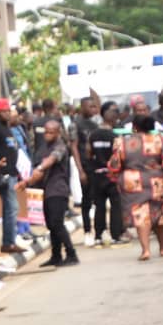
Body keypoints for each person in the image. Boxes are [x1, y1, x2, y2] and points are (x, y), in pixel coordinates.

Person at [108, 115, 163, 261]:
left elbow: (115, 165)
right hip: (157, 181)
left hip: (132, 182)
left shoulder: (122, 142)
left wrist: (116, 178)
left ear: (134, 127)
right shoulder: (160, 140)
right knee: (160, 214)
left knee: (141, 216)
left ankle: (145, 250)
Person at [16, 120, 79, 267]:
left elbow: (51, 160)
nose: (47, 134)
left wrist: (39, 168)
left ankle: (71, 254)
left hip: (58, 190)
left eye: (51, 132)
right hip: (46, 191)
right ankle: (56, 255)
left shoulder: (60, 147)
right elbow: (36, 169)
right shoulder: (43, 148)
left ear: (58, 133)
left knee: (57, 224)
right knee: (51, 225)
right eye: (46, 131)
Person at [87, 102, 127, 247]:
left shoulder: (93, 135)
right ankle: (116, 235)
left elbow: (88, 153)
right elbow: (119, 156)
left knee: (100, 206)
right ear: (105, 114)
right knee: (116, 205)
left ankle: (98, 235)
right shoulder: (114, 135)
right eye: (114, 111)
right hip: (112, 175)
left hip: (97, 175)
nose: (116, 114)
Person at [0, 99, 26, 254]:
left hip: (12, 173)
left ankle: (9, 241)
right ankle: (8, 243)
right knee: (12, 208)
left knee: (10, 209)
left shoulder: (7, 129)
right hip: (3, 174)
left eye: (8, 111)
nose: (7, 114)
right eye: (4, 111)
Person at [70, 98, 100, 247]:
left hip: (96, 165)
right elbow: (74, 147)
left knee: (99, 199)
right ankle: (88, 231)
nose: (93, 109)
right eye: (90, 106)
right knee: (86, 201)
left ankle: (100, 231)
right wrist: (80, 170)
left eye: (94, 106)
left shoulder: (95, 124)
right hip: (85, 166)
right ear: (82, 107)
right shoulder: (75, 124)